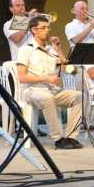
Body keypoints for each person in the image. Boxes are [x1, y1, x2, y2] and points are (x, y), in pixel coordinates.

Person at [17, 16, 84, 149]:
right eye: (43, 28)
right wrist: (46, 78)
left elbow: (66, 70)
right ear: (33, 29)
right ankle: (58, 139)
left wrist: (58, 49)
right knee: (47, 98)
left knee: (80, 96)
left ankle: (70, 137)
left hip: (53, 91)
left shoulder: (52, 50)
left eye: (48, 27)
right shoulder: (25, 50)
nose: (47, 30)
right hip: (33, 91)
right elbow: (22, 78)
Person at [3, 0, 47, 137]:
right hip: (19, 67)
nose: (21, 8)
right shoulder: (8, 25)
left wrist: (37, 24)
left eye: (22, 5)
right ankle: (21, 127)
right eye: (17, 5)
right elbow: (17, 38)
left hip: (34, 64)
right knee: (20, 97)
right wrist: (29, 21)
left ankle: (33, 125)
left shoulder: (31, 25)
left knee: (35, 95)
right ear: (11, 9)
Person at [65, 1, 94, 130]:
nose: (85, 11)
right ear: (74, 10)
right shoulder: (70, 26)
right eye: (82, 9)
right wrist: (91, 27)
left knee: (91, 92)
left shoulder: (92, 26)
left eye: (86, 8)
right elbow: (76, 40)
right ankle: (79, 121)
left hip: (92, 62)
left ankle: (88, 122)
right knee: (81, 93)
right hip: (79, 64)